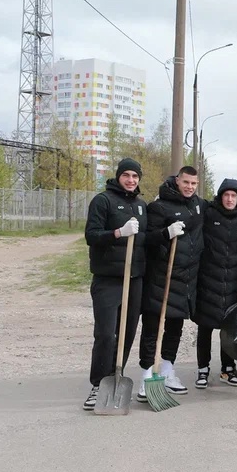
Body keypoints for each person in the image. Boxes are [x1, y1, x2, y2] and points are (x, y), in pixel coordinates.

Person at [82, 158, 148, 410]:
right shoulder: (103, 201)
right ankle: (98, 383)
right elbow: (91, 235)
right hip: (108, 279)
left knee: (128, 333)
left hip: (135, 280)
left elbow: (147, 240)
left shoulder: (142, 206)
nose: (131, 180)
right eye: (127, 175)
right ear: (119, 176)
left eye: (135, 176)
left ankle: (115, 377)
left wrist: (166, 234)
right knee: (106, 334)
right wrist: (118, 233)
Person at [137, 166, 205, 402]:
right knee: (152, 330)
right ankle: (146, 376)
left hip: (185, 280)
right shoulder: (159, 206)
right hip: (161, 279)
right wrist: (166, 233)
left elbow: (225, 208)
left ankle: (167, 371)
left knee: (175, 329)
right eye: (186, 182)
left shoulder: (198, 205)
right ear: (177, 181)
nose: (190, 187)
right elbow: (147, 239)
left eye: (194, 184)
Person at [192, 179, 237, 389]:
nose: (229, 199)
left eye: (233, 196)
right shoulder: (209, 213)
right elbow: (188, 205)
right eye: (226, 195)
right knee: (205, 327)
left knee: (228, 329)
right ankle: (203, 369)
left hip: (234, 283)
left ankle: (228, 369)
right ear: (221, 197)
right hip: (208, 281)